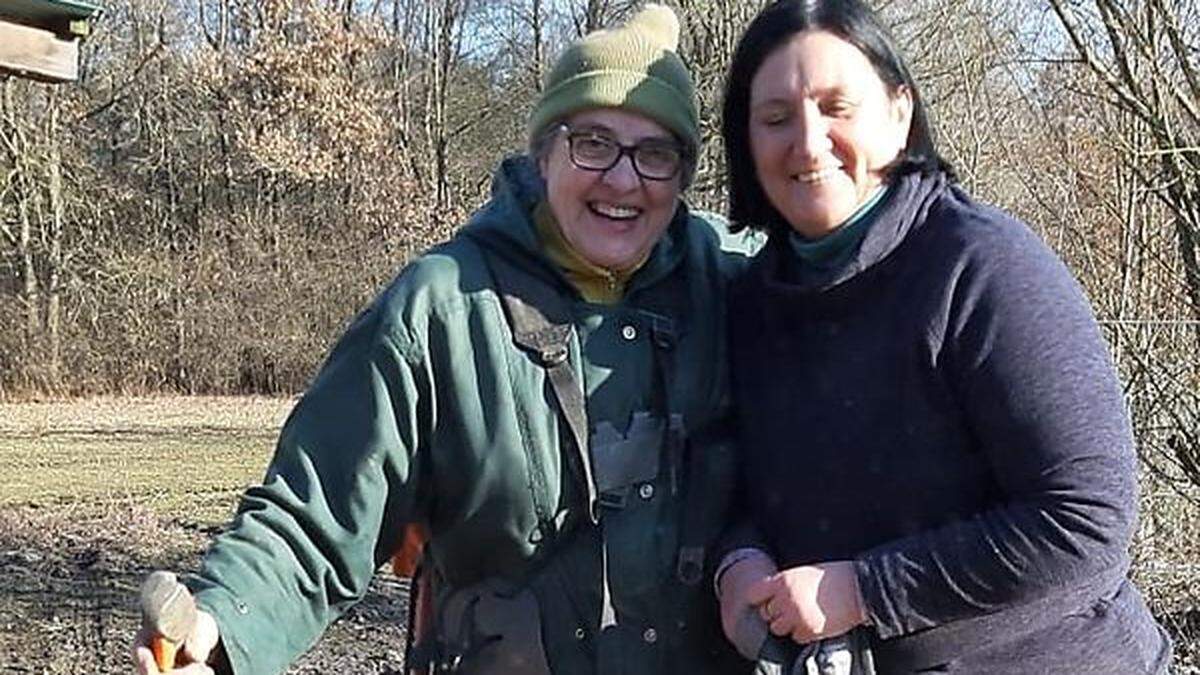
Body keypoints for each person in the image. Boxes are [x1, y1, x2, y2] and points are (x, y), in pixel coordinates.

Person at [132, 5, 756, 674]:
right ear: (544, 152)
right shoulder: (442, 309)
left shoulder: (740, 287)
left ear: (684, 177)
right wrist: (222, 625)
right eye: (594, 142)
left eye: (656, 153)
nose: (624, 179)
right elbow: (314, 519)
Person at [712, 0, 1174, 673]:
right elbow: (749, 485)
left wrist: (866, 588)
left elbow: (1086, 518)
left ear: (900, 112)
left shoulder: (981, 267)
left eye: (837, 106)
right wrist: (738, 559)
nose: (808, 142)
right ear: (745, 142)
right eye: (776, 118)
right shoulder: (751, 302)